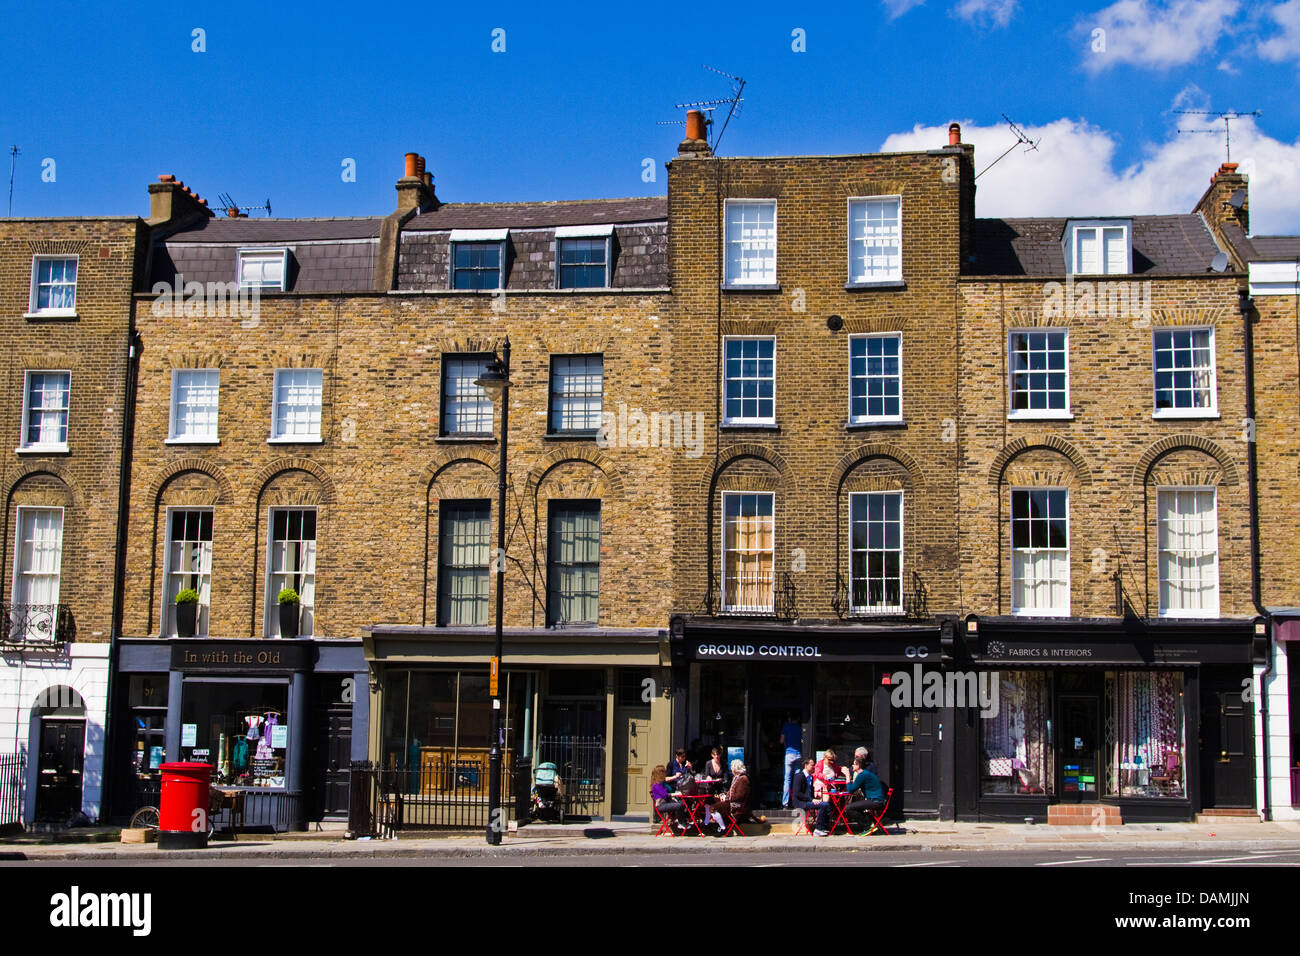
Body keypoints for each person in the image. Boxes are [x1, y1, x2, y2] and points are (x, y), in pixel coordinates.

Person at [813, 755, 884, 836]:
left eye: (854, 764)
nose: (852, 766)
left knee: (849, 808)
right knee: (854, 806)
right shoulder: (865, 774)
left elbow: (850, 789)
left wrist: (847, 776)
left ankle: (868, 826)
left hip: (875, 801)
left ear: (858, 766)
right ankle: (871, 824)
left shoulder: (862, 775)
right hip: (875, 800)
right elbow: (853, 787)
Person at [704, 759, 750, 832]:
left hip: (734, 805)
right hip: (729, 800)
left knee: (713, 808)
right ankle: (706, 822)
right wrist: (723, 795)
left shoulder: (743, 779)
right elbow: (731, 791)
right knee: (708, 799)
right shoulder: (737, 778)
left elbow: (739, 796)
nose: (731, 770)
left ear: (735, 769)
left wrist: (726, 798)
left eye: (732, 769)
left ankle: (723, 828)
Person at [650, 764, 689, 830]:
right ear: (660, 774)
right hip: (661, 805)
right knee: (678, 805)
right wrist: (676, 794)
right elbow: (665, 795)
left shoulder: (661, 783)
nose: (665, 774)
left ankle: (685, 821)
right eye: (664, 772)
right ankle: (681, 823)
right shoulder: (656, 785)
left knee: (683, 803)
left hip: (666, 802)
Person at [779, 712, 804, 808]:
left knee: (787, 779)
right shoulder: (800, 727)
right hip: (798, 754)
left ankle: (785, 803)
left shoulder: (786, 726)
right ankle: (797, 801)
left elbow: (781, 741)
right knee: (797, 779)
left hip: (789, 754)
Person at [790, 756, 825, 821]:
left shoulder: (811, 777)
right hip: (800, 802)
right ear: (806, 765)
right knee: (824, 805)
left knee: (826, 804)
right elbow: (797, 793)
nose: (814, 767)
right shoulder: (799, 776)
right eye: (812, 765)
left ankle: (822, 826)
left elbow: (810, 791)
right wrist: (812, 800)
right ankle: (819, 827)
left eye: (814, 765)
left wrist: (815, 799)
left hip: (808, 800)